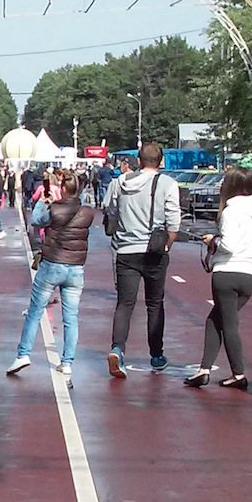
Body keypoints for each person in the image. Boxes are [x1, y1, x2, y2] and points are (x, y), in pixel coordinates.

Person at [186, 167, 252, 389]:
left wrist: (213, 241)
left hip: (227, 272)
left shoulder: (230, 211)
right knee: (216, 319)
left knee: (228, 324)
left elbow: (229, 246)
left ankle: (238, 374)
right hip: (250, 273)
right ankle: (204, 370)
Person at [102, 141, 182, 377]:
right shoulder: (167, 184)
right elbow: (174, 222)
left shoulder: (119, 182)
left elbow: (110, 210)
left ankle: (117, 348)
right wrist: (167, 245)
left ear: (138, 160)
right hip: (155, 251)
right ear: (161, 161)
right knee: (154, 304)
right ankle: (156, 355)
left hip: (126, 250)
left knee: (125, 303)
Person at [8, 171, 94, 382]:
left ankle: (23, 354)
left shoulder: (55, 209)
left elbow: (37, 221)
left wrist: (43, 202)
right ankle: (67, 363)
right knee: (71, 317)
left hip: (53, 264)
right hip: (76, 267)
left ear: (62, 189)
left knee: (35, 311)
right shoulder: (87, 212)